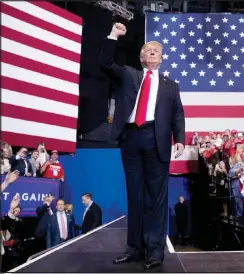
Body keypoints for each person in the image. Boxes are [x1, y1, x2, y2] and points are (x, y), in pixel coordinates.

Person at [100, 23, 185, 269]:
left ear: (161, 58)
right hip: (131, 138)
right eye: (148, 51)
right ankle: (135, 249)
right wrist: (113, 35)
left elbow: (178, 114)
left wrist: (179, 138)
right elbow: (105, 64)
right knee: (135, 195)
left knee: (156, 199)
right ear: (141, 57)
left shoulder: (171, 85)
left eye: (156, 51)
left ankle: (155, 251)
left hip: (156, 140)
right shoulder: (129, 74)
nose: (152, 53)